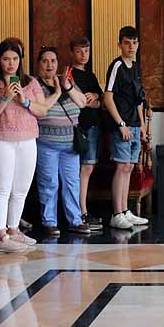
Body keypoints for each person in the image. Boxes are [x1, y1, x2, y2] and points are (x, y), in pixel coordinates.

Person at [0, 39, 56, 253]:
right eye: (6, 59)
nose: (10, 63)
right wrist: (4, 97)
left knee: (21, 189)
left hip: (27, 138)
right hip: (0, 139)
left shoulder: (30, 82)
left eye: (15, 59)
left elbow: (43, 110)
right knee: (2, 188)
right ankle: (0, 235)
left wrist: (25, 100)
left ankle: (13, 230)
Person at [34, 47, 90, 236]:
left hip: (70, 144)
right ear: (38, 64)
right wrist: (56, 92)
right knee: (49, 183)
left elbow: (82, 103)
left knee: (72, 183)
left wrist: (67, 86)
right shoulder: (34, 85)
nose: (50, 65)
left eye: (53, 61)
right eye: (45, 61)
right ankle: (49, 221)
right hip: (46, 143)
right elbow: (40, 108)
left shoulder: (66, 81)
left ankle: (75, 220)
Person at [103, 26, 150, 230]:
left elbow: (139, 99)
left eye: (135, 42)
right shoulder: (117, 66)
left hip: (134, 125)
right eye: (127, 43)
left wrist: (142, 125)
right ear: (120, 44)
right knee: (122, 167)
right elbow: (108, 97)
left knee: (130, 167)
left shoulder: (137, 67)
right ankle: (117, 213)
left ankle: (125, 210)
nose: (131, 46)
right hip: (121, 126)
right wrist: (121, 124)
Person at [68, 37, 104, 230]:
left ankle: (82, 210)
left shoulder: (90, 75)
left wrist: (96, 96)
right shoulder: (69, 75)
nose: (83, 55)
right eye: (79, 51)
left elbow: (100, 101)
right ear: (72, 52)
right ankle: (80, 211)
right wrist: (89, 101)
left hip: (93, 125)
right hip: (77, 127)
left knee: (87, 169)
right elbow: (75, 101)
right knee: (80, 170)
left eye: (86, 51)